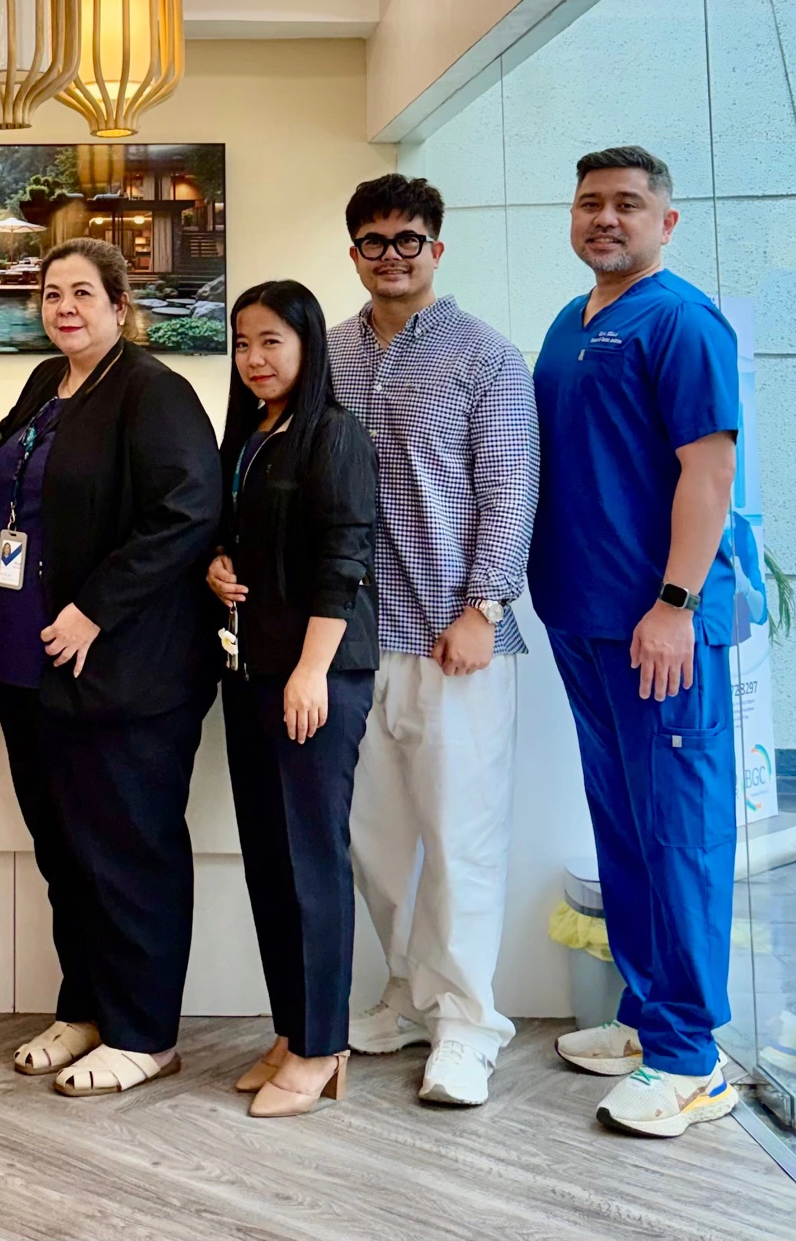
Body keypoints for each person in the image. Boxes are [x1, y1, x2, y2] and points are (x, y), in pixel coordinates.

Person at [530, 147, 741, 1138]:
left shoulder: (683, 320)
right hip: (582, 619)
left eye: (626, 204)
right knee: (623, 831)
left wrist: (675, 602)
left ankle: (692, 1057)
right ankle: (644, 1015)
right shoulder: (570, 324)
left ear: (668, 219)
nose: (604, 218)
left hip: (660, 629)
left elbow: (708, 474)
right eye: (589, 203)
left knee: (679, 836)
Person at [325, 174, 539, 1109]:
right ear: (354, 254)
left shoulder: (487, 356)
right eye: (373, 242)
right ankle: (410, 997)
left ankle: (466, 1022)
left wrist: (484, 607)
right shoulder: (326, 352)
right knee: (373, 843)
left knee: (462, 840)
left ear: (436, 249)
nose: (391, 256)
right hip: (354, 642)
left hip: (455, 640)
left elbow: (510, 487)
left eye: (407, 240)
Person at [0, 237, 222, 1098]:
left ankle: (144, 1030)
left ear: (120, 305)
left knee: (130, 850)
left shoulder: (153, 390)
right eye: (52, 293)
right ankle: (85, 1005)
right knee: (66, 852)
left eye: (84, 292)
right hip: (33, 669)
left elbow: (188, 510)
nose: (66, 307)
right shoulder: (44, 388)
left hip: (128, 672)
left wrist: (96, 607)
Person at [205, 281, 379, 1119]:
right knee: (271, 860)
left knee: (312, 860)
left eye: (271, 341)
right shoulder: (253, 434)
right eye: (242, 343)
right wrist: (215, 566)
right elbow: (238, 538)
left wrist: (312, 670)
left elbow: (344, 556)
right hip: (250, 671)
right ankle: (292, 1028)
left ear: (308, 344)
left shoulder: (334, 433)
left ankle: (322, 1045)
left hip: (315, 676)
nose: (254, 359)